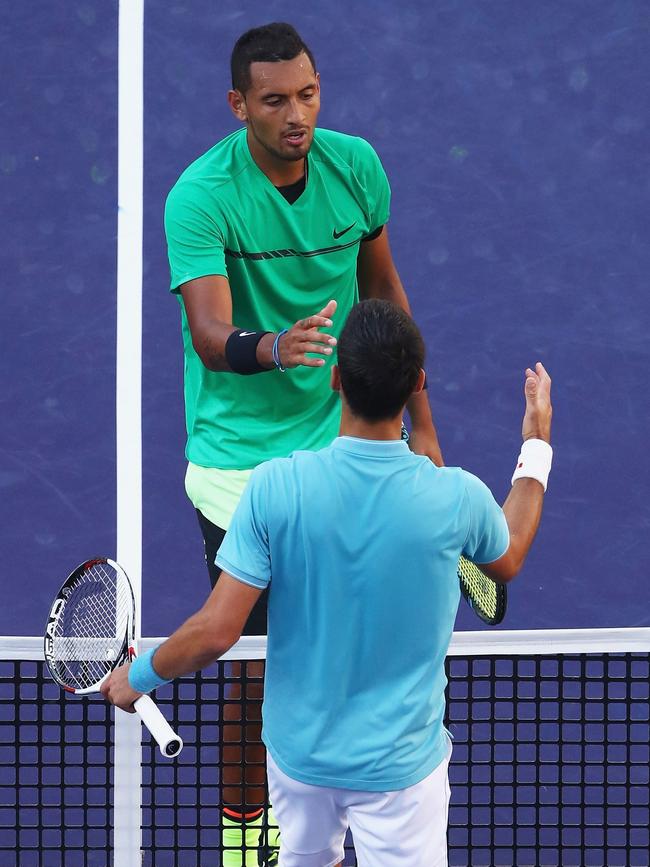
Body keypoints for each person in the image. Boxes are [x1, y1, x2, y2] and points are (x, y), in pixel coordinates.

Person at [103, 299, 553, 867]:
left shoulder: (275, 489)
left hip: (301, 762)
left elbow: (218, 631)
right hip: (401, 770)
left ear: (336, 379)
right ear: (416, 383)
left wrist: (138, 675)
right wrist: (536, 442)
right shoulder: (455, 497)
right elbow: (507, 556)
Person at [164, 21, 442, 864]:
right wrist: (276, 346)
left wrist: (423, 426)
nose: (297, 116)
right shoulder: (201, 195)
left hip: (335, 444)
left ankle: (341, 800)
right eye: (276, 100)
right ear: (238, 103)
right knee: (257, 663)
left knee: (341, 639)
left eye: (309, 95)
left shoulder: (354, 167)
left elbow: (384, 292)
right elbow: (211, 332)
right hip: (236, 463)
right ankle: (246, 833)